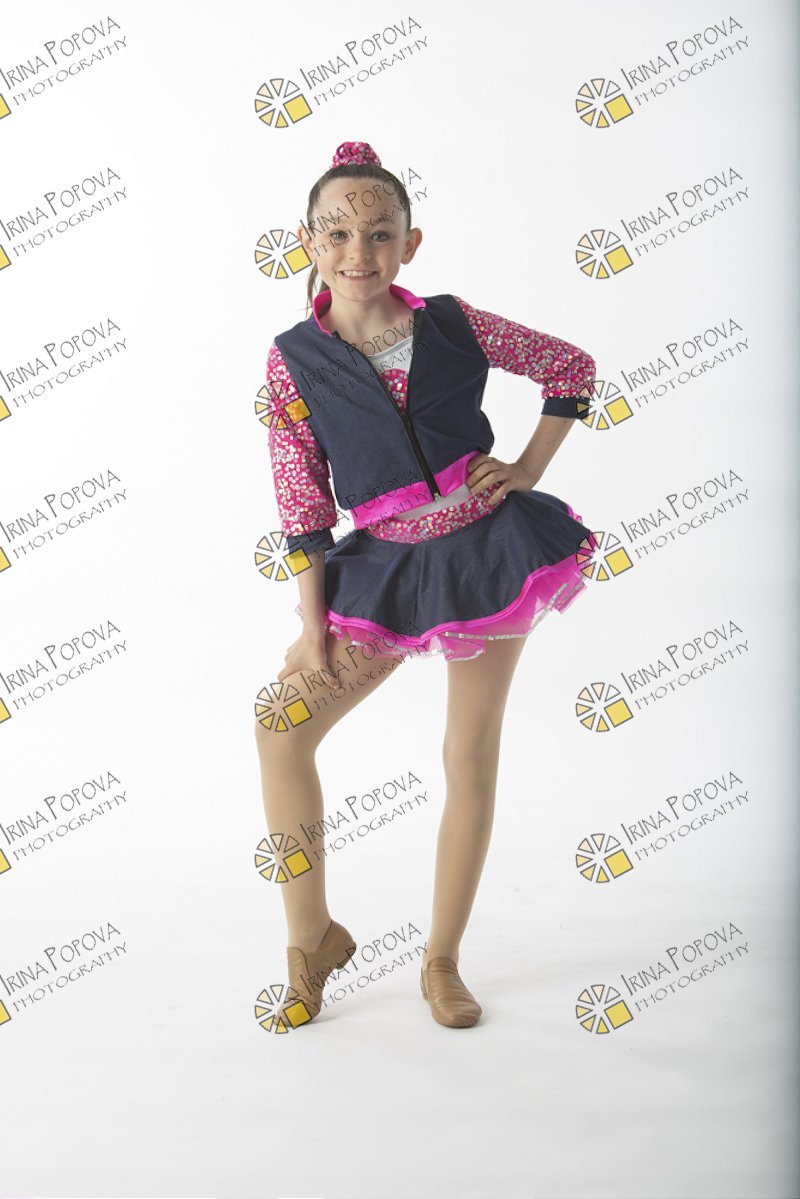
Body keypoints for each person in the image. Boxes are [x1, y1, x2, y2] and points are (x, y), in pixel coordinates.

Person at [254, 140, 598, 1029]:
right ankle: (310, 940)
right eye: (337, 233)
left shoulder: (453, 323)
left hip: (490, 554)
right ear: (309, 243)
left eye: (379, 233)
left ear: (410, 244)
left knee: (467, 753)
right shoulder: (293, 360)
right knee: (281, 726)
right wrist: (312, 626)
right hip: (388, 568)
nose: (358, 251)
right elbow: (301, 500)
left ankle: (441, 958)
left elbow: (571, 368)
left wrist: (525, 467)